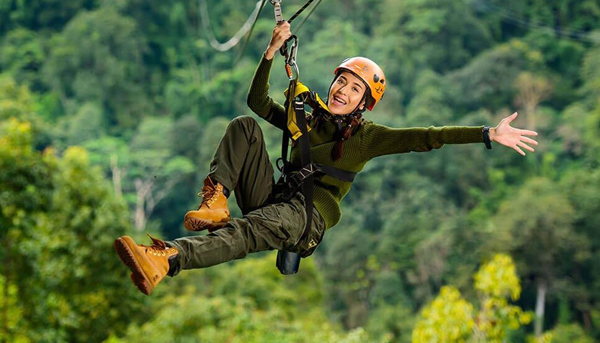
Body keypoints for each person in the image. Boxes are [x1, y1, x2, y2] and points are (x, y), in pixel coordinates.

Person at [114, 22, 538, 295]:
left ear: (363, 104)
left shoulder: (368, 138)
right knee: (244, 125)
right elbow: (257, 101)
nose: (342, 90)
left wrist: (487, 133)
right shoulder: (308, 120)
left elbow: (427, 137)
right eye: (341, 81)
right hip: (274, 197)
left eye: (355, 89)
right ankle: (215, 201)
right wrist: (270, 51)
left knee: (246, 233)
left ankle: (166, 258)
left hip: (304, 218)